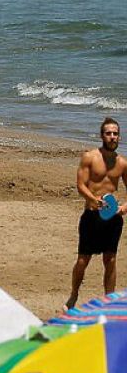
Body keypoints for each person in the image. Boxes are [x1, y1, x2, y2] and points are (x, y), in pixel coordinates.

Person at [69, 117, 125, 309]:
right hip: (91, 216)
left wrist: (124, 208)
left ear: (119, 137)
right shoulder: (90, 158)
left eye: (115, 133)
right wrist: (93, 200)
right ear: (102, 136)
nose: (112, 137)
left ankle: (109, 301)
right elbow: (80, 185)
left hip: (113, 219)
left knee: (110, 259)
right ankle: (74, 295)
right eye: (108, 133)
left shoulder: (122, 164)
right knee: (83, 260)